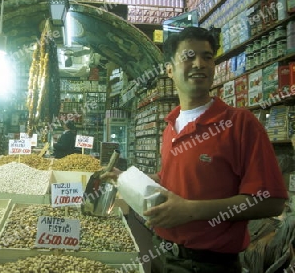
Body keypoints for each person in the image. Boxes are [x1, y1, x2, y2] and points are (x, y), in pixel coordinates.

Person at [104, 26, 288, 273]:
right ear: (169, 69)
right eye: (189, 57)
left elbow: (272, 202)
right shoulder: (171, 125)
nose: (199, 63)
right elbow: (174, 179)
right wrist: (131, 180)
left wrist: (190, 211)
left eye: (207, 57)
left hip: (208, 264)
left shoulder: (241, 124)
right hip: (161, 254)